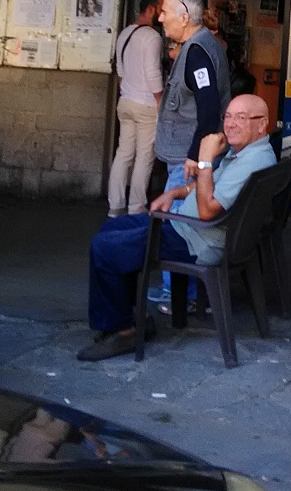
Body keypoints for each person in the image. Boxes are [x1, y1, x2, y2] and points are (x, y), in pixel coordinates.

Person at [77, 94, 277, 362]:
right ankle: (128, 318)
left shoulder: (252, 161)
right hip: (189, 226)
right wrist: (177, 192)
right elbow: (212, 186)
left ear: (262, 124)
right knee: (113, 229)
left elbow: (207, 210)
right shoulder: (249, 152)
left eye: (241, 118)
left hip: (196, 239)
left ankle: (123, 332)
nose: (230, 124)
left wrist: (205, 160)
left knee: (106, 248)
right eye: (228, 116)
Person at [154, 0, 231, 210]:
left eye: (165, 13)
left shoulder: (197, 53)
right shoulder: (201, 44)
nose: (160, 19)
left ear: (184, 18)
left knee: (177, 225)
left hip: (187, 163)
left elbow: (209, 109)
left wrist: (195, 155)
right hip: (187, 157)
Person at [109, 0, 165, 217]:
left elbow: (120, 71)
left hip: (126, 101)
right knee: (144, 156)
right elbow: (153, 73)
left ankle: (115, 206)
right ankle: (136, 208)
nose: (163, 15)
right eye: (161, 8)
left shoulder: (124, 33)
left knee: (123, 154)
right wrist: (160, 101)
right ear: (150, 9)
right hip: (146, 105)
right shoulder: (152, 37)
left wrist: (128, 90)